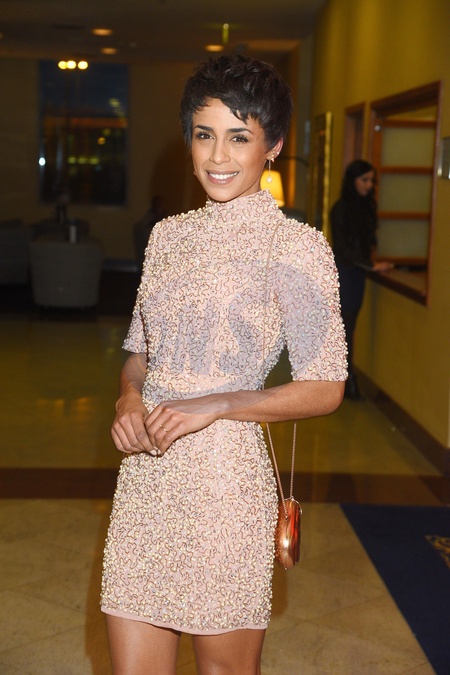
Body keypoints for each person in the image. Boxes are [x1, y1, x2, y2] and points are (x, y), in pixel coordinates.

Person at [101, 54, 347, 675]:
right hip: (147, 479)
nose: (217, 156)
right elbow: (140, 353)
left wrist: (217, 403)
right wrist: (129, 398)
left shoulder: (297, 247)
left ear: (273, 146)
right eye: (204, 134)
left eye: (239, 137)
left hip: (226, 484)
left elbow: (326, 386)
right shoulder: (166, 237)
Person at [330, 159, 393, 401]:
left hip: (357, 274)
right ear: (352, 181)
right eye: (364, 180)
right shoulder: (340, 209)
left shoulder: (366, 207)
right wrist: (371, 265)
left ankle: (345, 380)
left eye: (371, 181)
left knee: (350, 326)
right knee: (344, 328)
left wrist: (369, 264)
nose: (369, 185)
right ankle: (345, 381)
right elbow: (342, 248)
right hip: (345, 273)